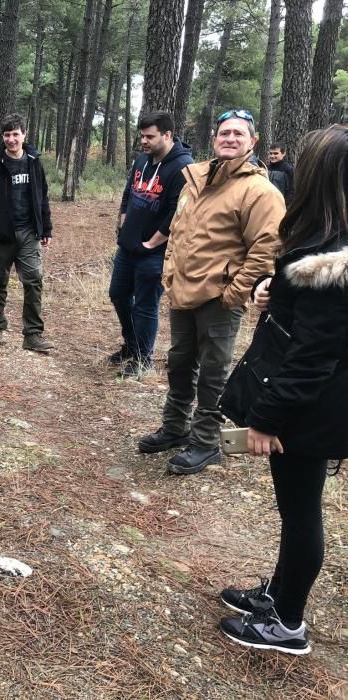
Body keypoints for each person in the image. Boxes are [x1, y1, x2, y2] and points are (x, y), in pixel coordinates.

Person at [216, 125, 348, 655]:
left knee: (301, 514)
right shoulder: (324, 245)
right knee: (297, 510)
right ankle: (279, 592)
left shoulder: (333, 264)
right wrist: (279, 290)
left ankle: (287, 623)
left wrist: (267, 419)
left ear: (317, 177)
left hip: (310, 413)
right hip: (314, 406)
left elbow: (313, 360)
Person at [137, 108, 284, 475]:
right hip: (183, 291)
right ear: (214, 139)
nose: (230, 139)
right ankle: (174, 427)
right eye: (224, 133)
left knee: (213, 372)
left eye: (238, 133)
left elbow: (266, 249)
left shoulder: (259, 191)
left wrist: (234, 293)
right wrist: (169, 273)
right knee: (180, 362)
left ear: (253, 141)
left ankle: (205, 442)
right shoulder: (197, 179)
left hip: (219, 300)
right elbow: (177, 230)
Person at [108, 112, 193, 378]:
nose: (144, 141)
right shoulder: (142, 160)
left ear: (167, 135)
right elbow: (128, 194)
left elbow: (176, 214)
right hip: (128, 247)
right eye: (142, 136)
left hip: (154, 253)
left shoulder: (183, 167)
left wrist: (150, 243)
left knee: (145, 305)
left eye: (150, 137)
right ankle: (132, 346)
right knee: (118, 295)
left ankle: (143, 358)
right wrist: (124, 224)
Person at [0, 113, 54, 353]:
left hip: (29, 232)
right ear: (2, 137)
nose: (11, 139)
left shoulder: (33, 161)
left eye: (16, 134)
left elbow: (42, 197)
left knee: (33, 280)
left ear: (24, 134)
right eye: (7, 135)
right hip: (1, 236)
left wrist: (45, 227)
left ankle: (33, 334)